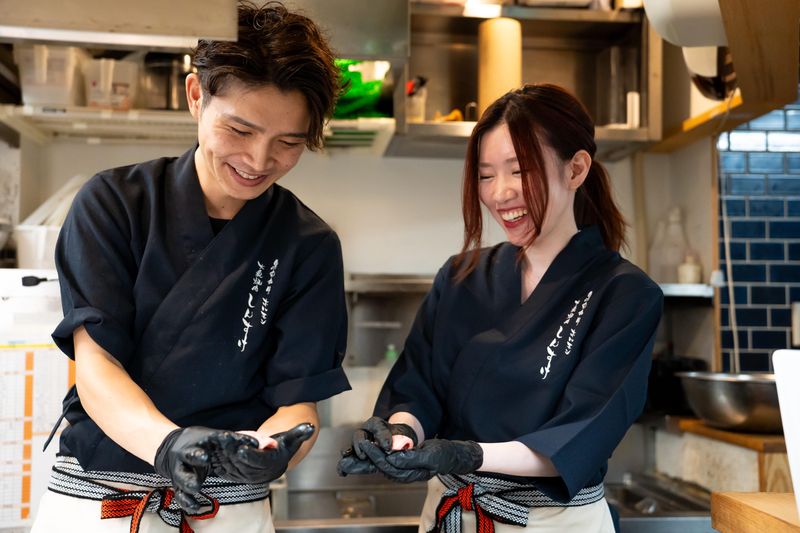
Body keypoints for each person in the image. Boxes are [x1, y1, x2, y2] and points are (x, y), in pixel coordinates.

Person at [31, 2, 350, 532]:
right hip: (105, 500)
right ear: (196, 95)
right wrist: (169, 445)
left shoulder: (308, 244)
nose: (258, 161)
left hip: (230, 509)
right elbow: (97, 365)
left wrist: (277, 452)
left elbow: (298, 406)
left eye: (288, 143)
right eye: (240, 130)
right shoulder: (114, 203)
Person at [338, 84, 664, 533]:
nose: (500, 193)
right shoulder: (461, 277)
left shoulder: (625, 294)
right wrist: (400, 434)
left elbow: (580, 435)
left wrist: (467, 454)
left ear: (576, 169)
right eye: (486, 175)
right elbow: (417, 388)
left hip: (553, 523)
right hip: (453, 513)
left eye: (519, 170)